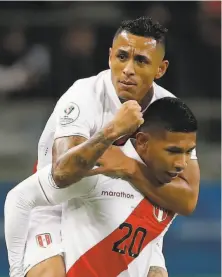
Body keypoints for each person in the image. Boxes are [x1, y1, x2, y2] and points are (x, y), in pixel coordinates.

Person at [6, 16, 200, 277]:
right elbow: (62, 174)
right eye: (121, 57)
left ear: (160, 69)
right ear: (110, 56)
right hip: (55, 205)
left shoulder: (170, 111)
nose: (128, 69)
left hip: (129, 206)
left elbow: (187, 199)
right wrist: (111, 132)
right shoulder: (83, 95)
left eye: (141, 60)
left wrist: (128, 167)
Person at [5, 97, 198, 277]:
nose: (182, 163)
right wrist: (17, 271)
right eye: (173, 151)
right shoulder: (103, 166)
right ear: (142, 141)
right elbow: (20, 198)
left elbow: (142, 237)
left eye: (188, 152)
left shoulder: (169, 188)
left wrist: (156, 266)